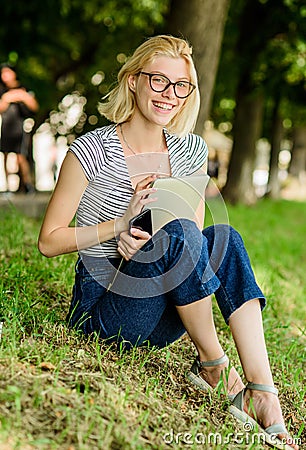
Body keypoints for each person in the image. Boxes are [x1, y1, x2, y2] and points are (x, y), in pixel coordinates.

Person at [38, 35, 298, 449]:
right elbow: (48, 241)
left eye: (181, 85)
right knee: (182, 236)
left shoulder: (190, 149)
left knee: (224, 237)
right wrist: (118, 226)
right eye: (158, 80)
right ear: (133, 81)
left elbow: (190, 237)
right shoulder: (91, 150)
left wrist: (161, 214)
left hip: (167, 310)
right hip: (107, 310)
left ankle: (262, 393)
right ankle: (214, 365)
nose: (169, 94)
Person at [0, 63, 39, 193]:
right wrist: (7, 99)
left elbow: (34, 107)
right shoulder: (2, 91)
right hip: (6, 127)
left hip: (20, 128)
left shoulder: (23, 89)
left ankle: (28, 184)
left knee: (20, 156)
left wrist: (21, 96)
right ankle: (7, 187)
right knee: (5, 156)